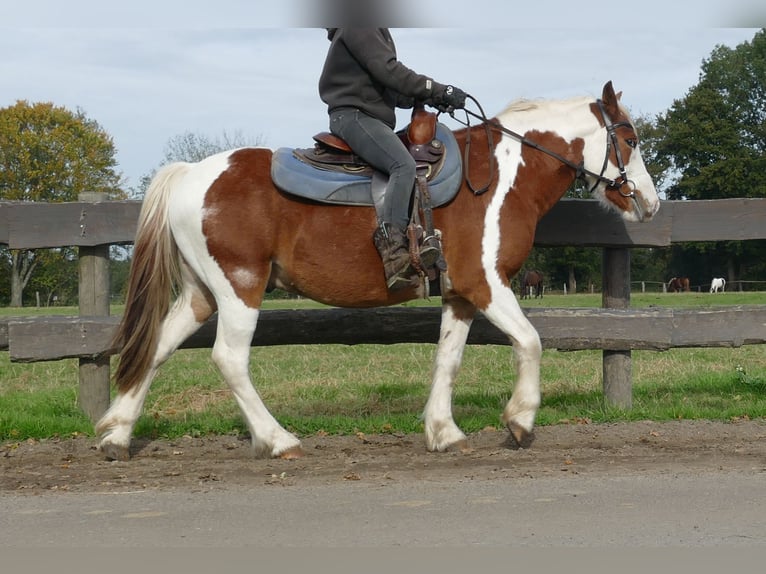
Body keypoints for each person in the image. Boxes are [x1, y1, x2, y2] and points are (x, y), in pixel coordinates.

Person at [318, 28, 467, 290]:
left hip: (367, 116)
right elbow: (389, 71)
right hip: (354, 116)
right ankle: (394, 252)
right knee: (402, 165)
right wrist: (438, 88)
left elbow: (393, 89)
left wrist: (430, 97)